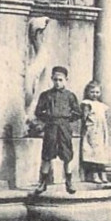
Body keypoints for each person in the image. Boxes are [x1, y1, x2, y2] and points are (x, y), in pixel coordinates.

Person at [33, 66, 81, 196]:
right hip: (51, 127)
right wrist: (48, 119)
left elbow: (78, 112)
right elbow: (38, 112)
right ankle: (42, 183)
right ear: (51, 79)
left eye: (60, 80)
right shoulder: (45, 95)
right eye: (55, 79)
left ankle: (69, 183)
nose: (58, 82)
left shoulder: (70, 96)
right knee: (47, 155)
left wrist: (66, 119)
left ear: (66, 80)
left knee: (67, 155)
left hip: (64, 127)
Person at [80, 80, 110, 184]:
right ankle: (94, 174)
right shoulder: (87, 104)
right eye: (92, 92)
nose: (95, 94)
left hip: (101, 130)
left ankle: (102, 173)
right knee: (93, 152)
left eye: (97, 92)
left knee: (101, 152)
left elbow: (104, 118)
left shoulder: (101, 105)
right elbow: (85, 118)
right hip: (92, 129)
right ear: (88, 92)